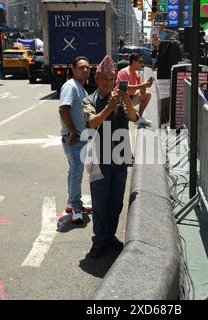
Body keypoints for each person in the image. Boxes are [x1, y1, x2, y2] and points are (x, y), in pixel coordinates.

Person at [82, 55, 138, 259]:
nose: (109, 81)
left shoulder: (119, 98)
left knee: (116, 203)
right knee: (99, 203)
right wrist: (109, 108)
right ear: (97, 79)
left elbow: (134, 117)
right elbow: (92, 123)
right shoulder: (89, 100)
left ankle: (109, 236)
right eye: (105, 78)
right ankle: (99, 240)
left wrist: (125, 100)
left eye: (112, 78)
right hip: (98, 159)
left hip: (120, 158)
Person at [59, 56, 92, 223]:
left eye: (87, 67)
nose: (85, 70)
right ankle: (76, 210)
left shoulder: (81, 88)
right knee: (76, 173)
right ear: (73, 69)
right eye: (81, 67)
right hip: (74, 139)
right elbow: (63, 109)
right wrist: (72, 130)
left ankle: (72, 204)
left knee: (74, 171)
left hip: (80, 138)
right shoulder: (71, 86)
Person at [116, 53, 153, 126]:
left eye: (142, 61)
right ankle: (132, 115)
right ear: (133, 62)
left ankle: (140, 117)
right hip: (121, 98)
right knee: (127, 118)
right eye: (140, 61)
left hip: (131, 97)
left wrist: (145, 86)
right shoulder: (124, 71)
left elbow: (142, 91)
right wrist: (142, 85)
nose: (142, 63)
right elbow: (125, 87)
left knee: (148, 94)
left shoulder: (137, 73)